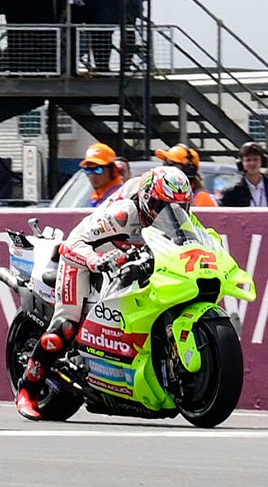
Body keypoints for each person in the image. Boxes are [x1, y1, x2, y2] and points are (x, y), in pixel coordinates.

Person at [15, 166, 194, 419]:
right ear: (146, 199)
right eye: (161, 205)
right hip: (84, 257)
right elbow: (74, 243)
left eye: (178, 207)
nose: (169, 213)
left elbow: (191, 241)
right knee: (65, 326)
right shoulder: (124, 214)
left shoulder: (175, 214)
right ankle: (28, 391)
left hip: (129, 258)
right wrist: (95, 261)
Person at [220, 141, 268, 207]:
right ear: (241, 163)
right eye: (248, 160)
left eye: (255, 159)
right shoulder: (232, 191)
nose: (252, 163)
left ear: (263, 161)